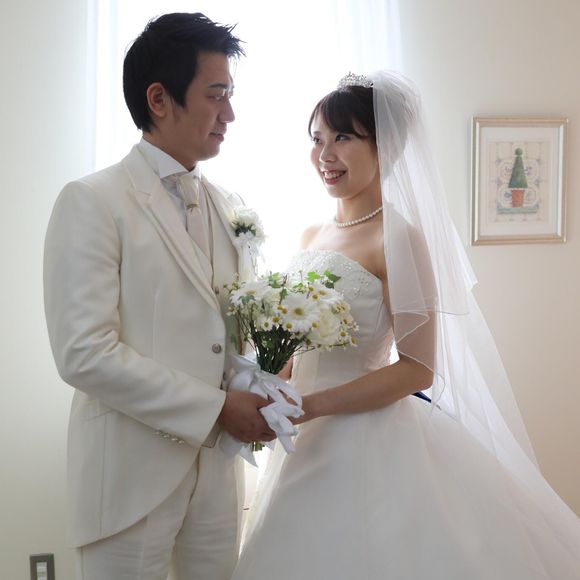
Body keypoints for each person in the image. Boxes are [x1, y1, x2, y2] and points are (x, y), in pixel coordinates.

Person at [231, 72, 580, 579]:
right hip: (300, 440)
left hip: (364, 438)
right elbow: (295, 348)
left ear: (386, 147)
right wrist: (269, 384)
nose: (325, 154)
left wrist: (312, 406)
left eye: (343, 137)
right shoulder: (309, 234)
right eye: (317, 139)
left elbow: (417, 369)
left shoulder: (398, 238)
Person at [43, 12, 274, 580]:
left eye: (231, 95)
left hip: (218, 477)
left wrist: (263, 381)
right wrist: (215, 408)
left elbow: (230, 333)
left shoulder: (229, 203)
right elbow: (84, 353)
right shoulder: (92, 201)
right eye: (216, 95)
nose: (229, 114)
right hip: (129, 478)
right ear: (159, 98)